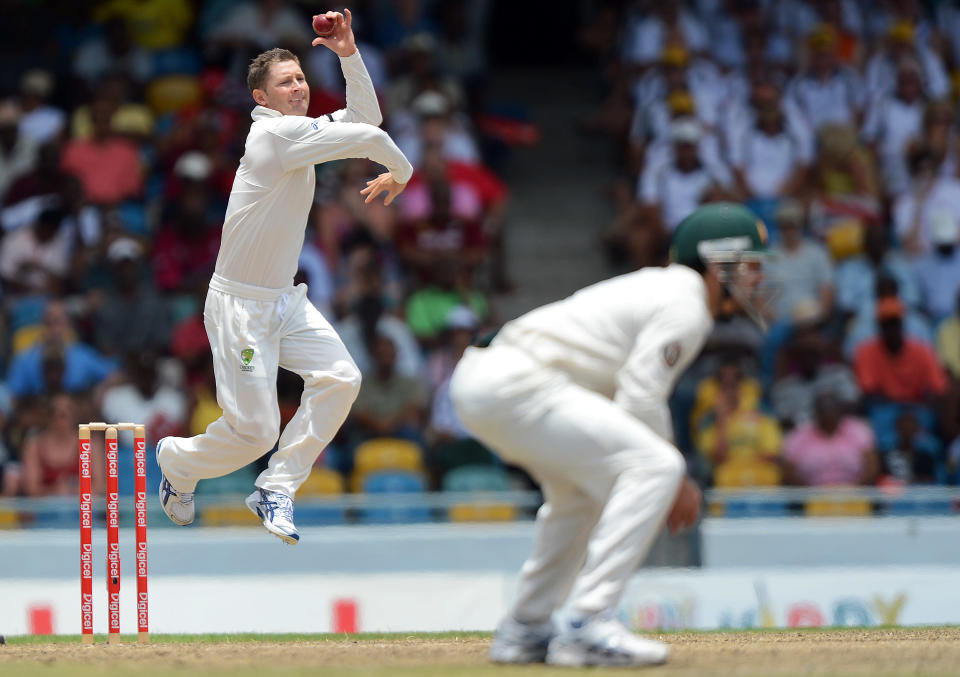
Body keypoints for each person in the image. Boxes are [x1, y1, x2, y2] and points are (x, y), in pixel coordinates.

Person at [450, 202, 768, 667]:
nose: (759, 280)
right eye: (753, 266)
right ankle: (588, 620)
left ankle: (527, 626)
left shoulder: (667, 289)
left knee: (579, 497)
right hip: (517, 382)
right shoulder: (687, 305)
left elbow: (627, 395)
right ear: (721, 264)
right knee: (655, 465)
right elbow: (640, 396)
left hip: (490, 380)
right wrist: (677, 481)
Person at [155, 11, 414, 545]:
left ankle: (277, 487)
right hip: (239, 307)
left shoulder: (303, 132)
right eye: (285, 82)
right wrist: (404, 170)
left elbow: (365, 114)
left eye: (300, 78)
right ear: (261, 98)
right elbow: (370, 135)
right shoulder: (272, 139)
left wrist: (347, 53)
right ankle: (177, 462)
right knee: (254, 431)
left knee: (342, 378)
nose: (298, 87)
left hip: (282, 300)